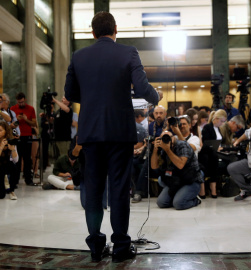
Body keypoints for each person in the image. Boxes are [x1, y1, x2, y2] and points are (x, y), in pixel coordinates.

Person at [64, 11, 161, 263]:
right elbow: (141, 89)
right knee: (119, 189)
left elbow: (70, 92)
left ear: (92, 32)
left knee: (94, 189)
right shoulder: (128, 52)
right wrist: (156, 96)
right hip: (119, 132)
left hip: (90, 133)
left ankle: (96, 245)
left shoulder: (79, 56)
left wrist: (93, 96)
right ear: (115, 29)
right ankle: (120, 247)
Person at [151, 131, 203, 210]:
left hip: (190, 181)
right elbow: (154, 167)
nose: (166, 140)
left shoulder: (183, 145)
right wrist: (155, 150)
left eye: (168, 137)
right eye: (163, 138)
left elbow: (180, 165)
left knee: (179, 204)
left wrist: (168, 150)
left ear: (174, 138)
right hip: (174, 181)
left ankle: (196, 200)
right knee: (161, 203)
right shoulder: (163, 147)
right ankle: (179, 195)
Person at [10, 92, 38, 186]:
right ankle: (15, 179)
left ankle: (28, 179)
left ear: (25, 100)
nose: (21, 104)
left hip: (27, 135)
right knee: (16, 158)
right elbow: (10, 124)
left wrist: (26, 119)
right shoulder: (13, 109)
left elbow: (34, 124)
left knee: (27, 158)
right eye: (19, 102)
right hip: (17, 135)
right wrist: (17, 120)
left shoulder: (30, 109)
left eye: (22, 102)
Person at [200, 109, 227, 198]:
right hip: (206, 153)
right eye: (221, 121)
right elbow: (206, 142)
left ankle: (214, 189)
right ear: (216, 118)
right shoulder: (208, 127)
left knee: (215, 161)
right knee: (210, 160)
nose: (222, 123)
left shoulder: (218, 129)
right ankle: (204, 190)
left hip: (215, 153)